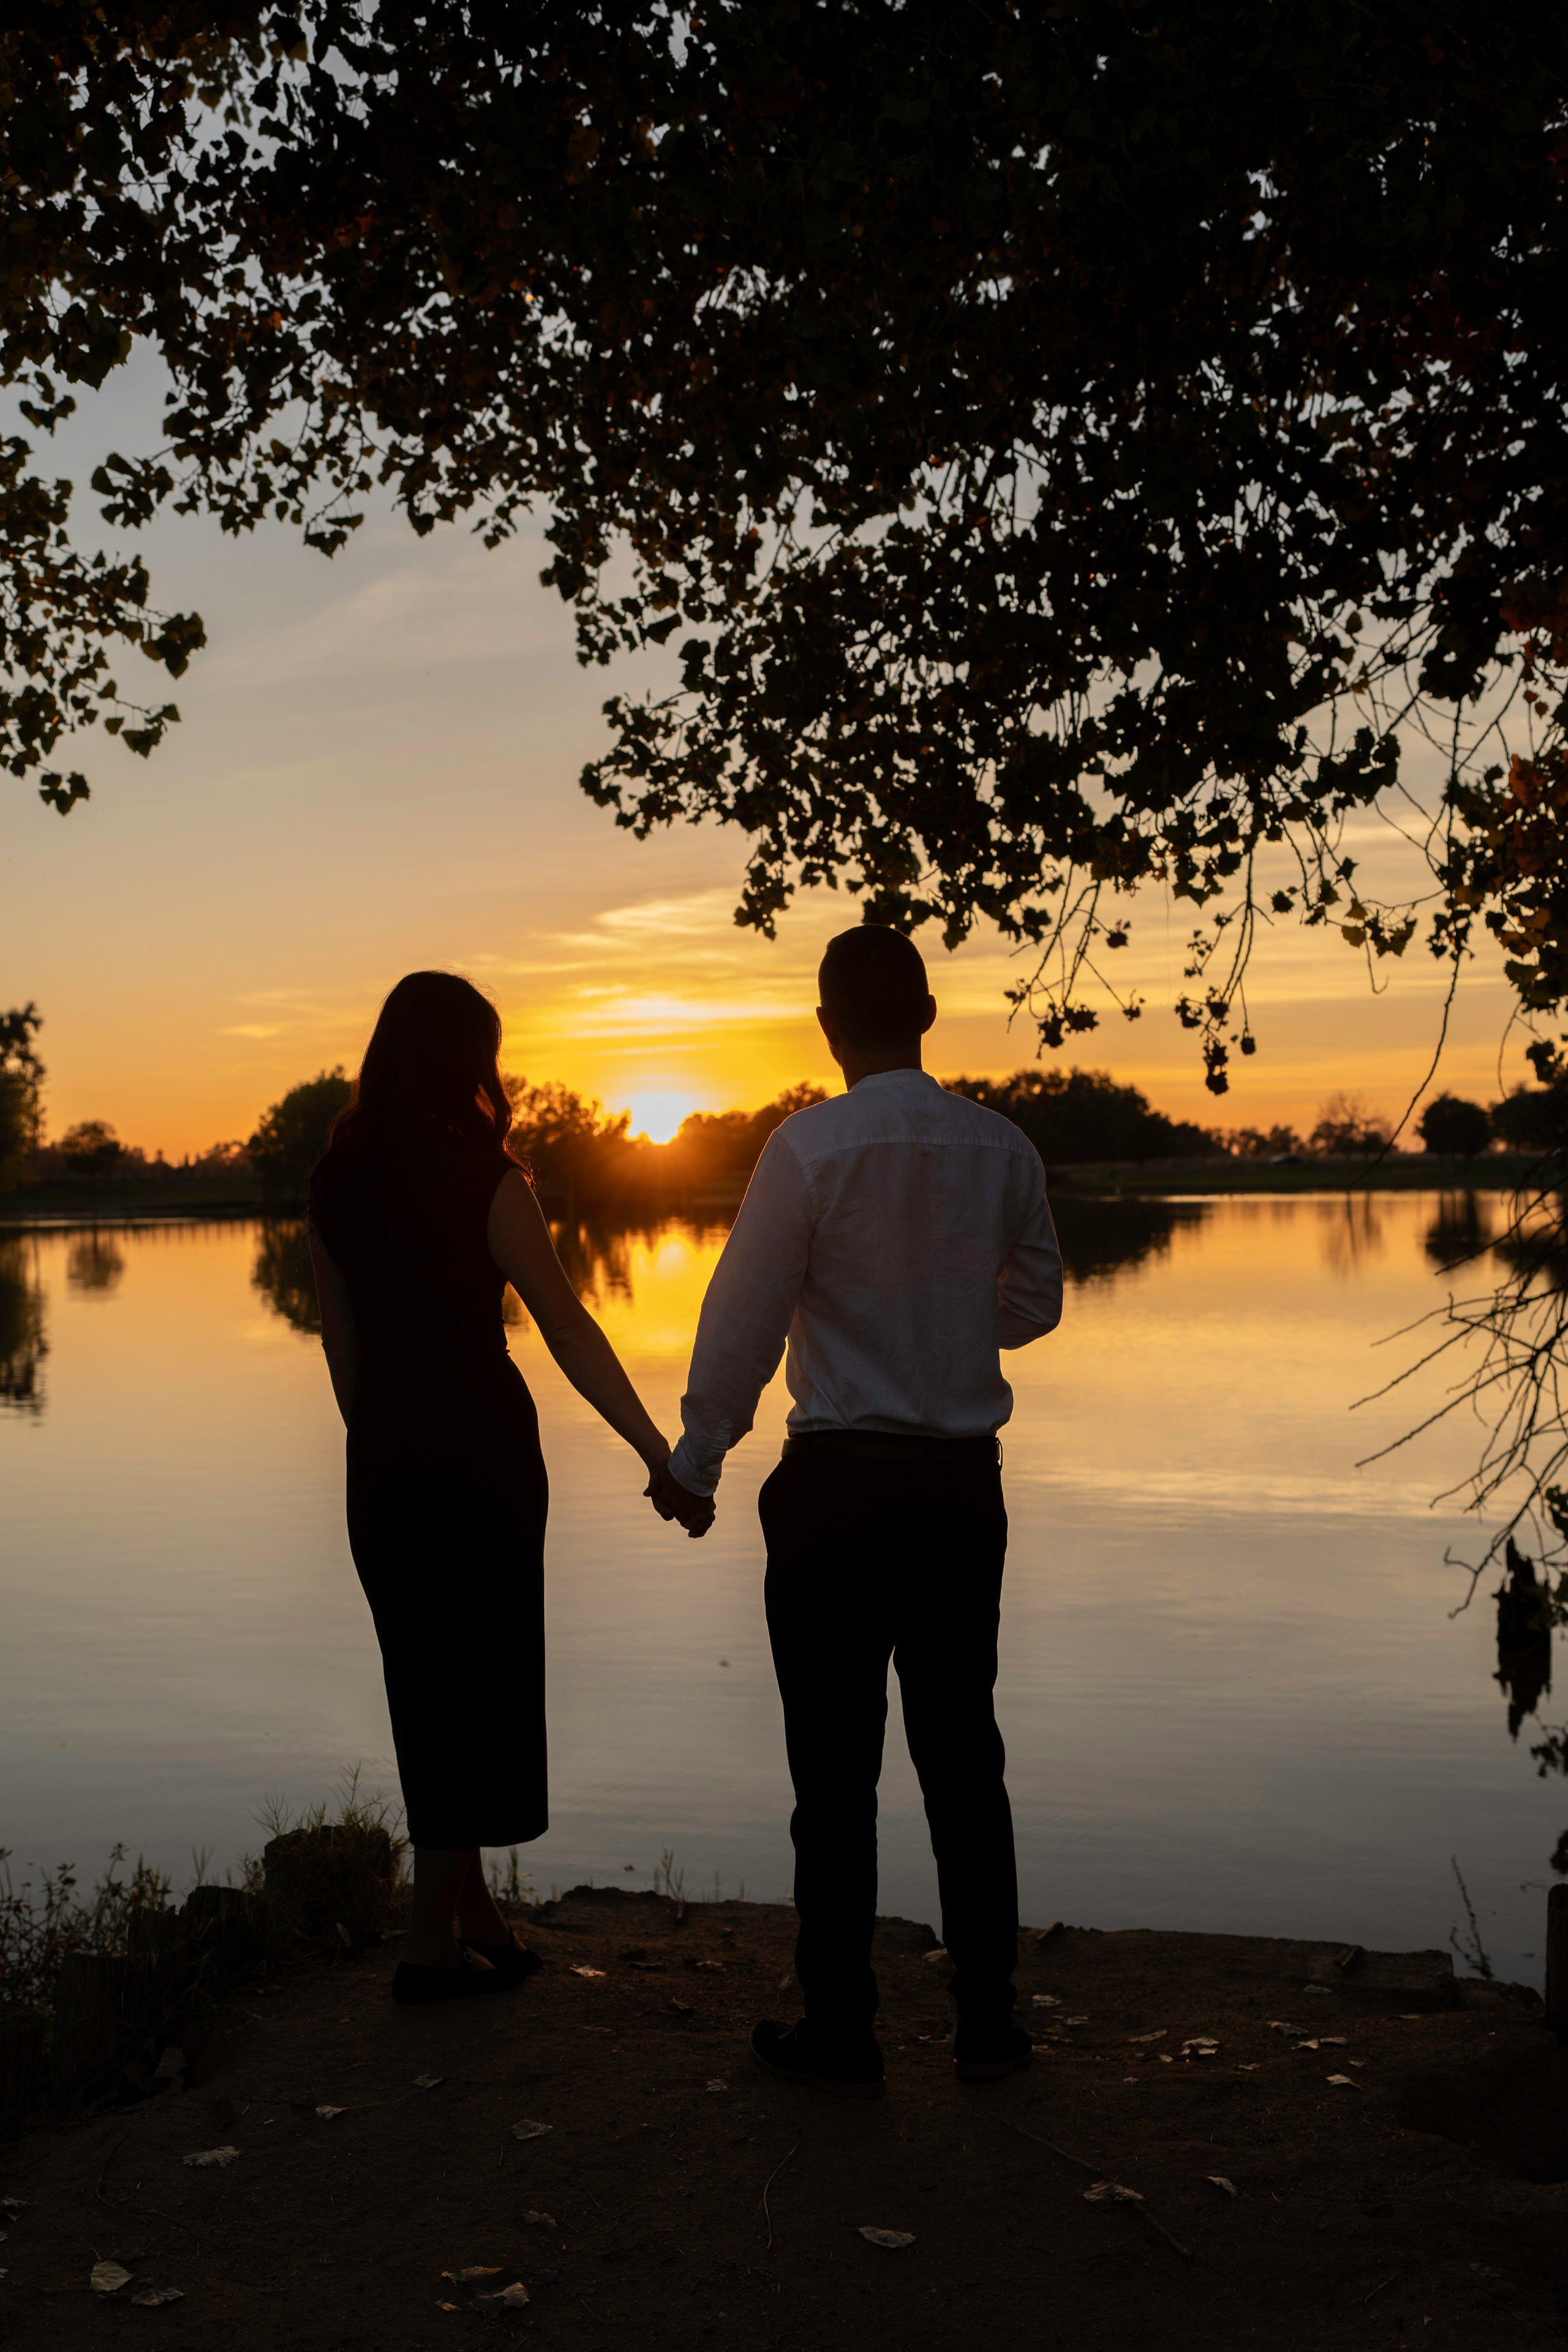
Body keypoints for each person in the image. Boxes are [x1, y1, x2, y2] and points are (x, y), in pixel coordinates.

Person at [657, 926, 1062, 2095]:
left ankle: (845, 2030)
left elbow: (741, 1319)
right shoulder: (1001, 1148)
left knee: (834, 1779)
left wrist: (697, 1461)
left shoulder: (807, 1149)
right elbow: (1034, 1300)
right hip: (954, 1495)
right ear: (929, 1015)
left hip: (835, 1494)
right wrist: (940, 1323)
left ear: (829, 1027)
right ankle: (987, 2025)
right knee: (963, 1762)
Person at [310, 971, 710, 2006]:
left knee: (427, 1681)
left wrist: (378, 1443)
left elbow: (340, 1336)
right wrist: (656, 1451)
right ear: (467, 1060)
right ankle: (424, 1950)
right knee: (472, 1682)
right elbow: (566, 1323)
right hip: (479, 1451)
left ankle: (472, 1911)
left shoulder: (337, 1177)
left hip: (385, 1455)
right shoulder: (488, 1177)